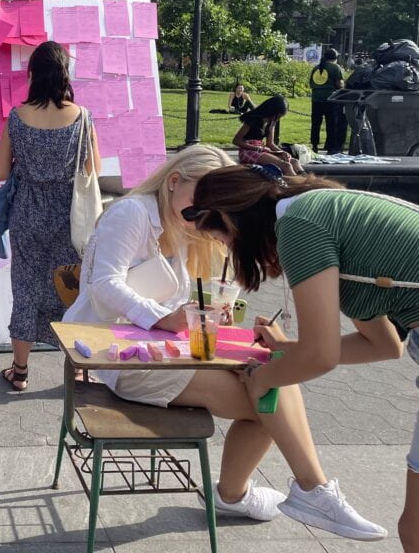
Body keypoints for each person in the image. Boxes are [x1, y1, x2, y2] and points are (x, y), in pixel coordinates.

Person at [62, 147, 384, 538]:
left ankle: (288, 491)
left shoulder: (179, 226)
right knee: (267, 396)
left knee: (273, 379)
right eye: (201, 202)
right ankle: (260, 493)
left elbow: (173, 295)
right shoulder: (133, 213)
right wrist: (166, 316)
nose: (206, 214)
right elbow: (103, 284)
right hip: (116, 357)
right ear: (175, 181)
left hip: (166, 349)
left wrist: (206, 309)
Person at [189, 166, 414, 542]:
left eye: (222, 239)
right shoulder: (331, 215)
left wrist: (263, 378)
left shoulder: (298, 225)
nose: (228, 249)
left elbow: (321, 356)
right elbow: (384, 346)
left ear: (229, 217)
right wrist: (290, 351)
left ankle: (312, 493)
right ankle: (313, 491)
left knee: (416, 523)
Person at [0, 41, 99, 391]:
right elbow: (93, 169)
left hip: (26, 212)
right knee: (71, 288)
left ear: (33, 75)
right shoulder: (82, 116)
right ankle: (80, 369)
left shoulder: (17, 117)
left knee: (25, 288)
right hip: (70, 217)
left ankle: (20, 371)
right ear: (64, 73)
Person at [233, 96, 302, 176]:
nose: (278, 119)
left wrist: (283, 152)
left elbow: (270, 144)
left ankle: (307, 182)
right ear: (272, 111)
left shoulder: (272, 122)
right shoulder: (254, 119)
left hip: (262, 149)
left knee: (294, 161)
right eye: (278, 116)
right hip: (248, 150)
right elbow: (236, 140)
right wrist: (258, 148)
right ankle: (297, 186)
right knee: (286, 166)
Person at [309, 47, 345, 154]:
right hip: (331, 99)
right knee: (331, 124)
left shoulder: (316, 68)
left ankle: (314, 145)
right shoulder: (335, 67)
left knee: (315, 124)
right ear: (335, 58)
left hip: (316, 99)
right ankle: (330, 147)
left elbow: (311, 83)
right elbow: (339, 84)